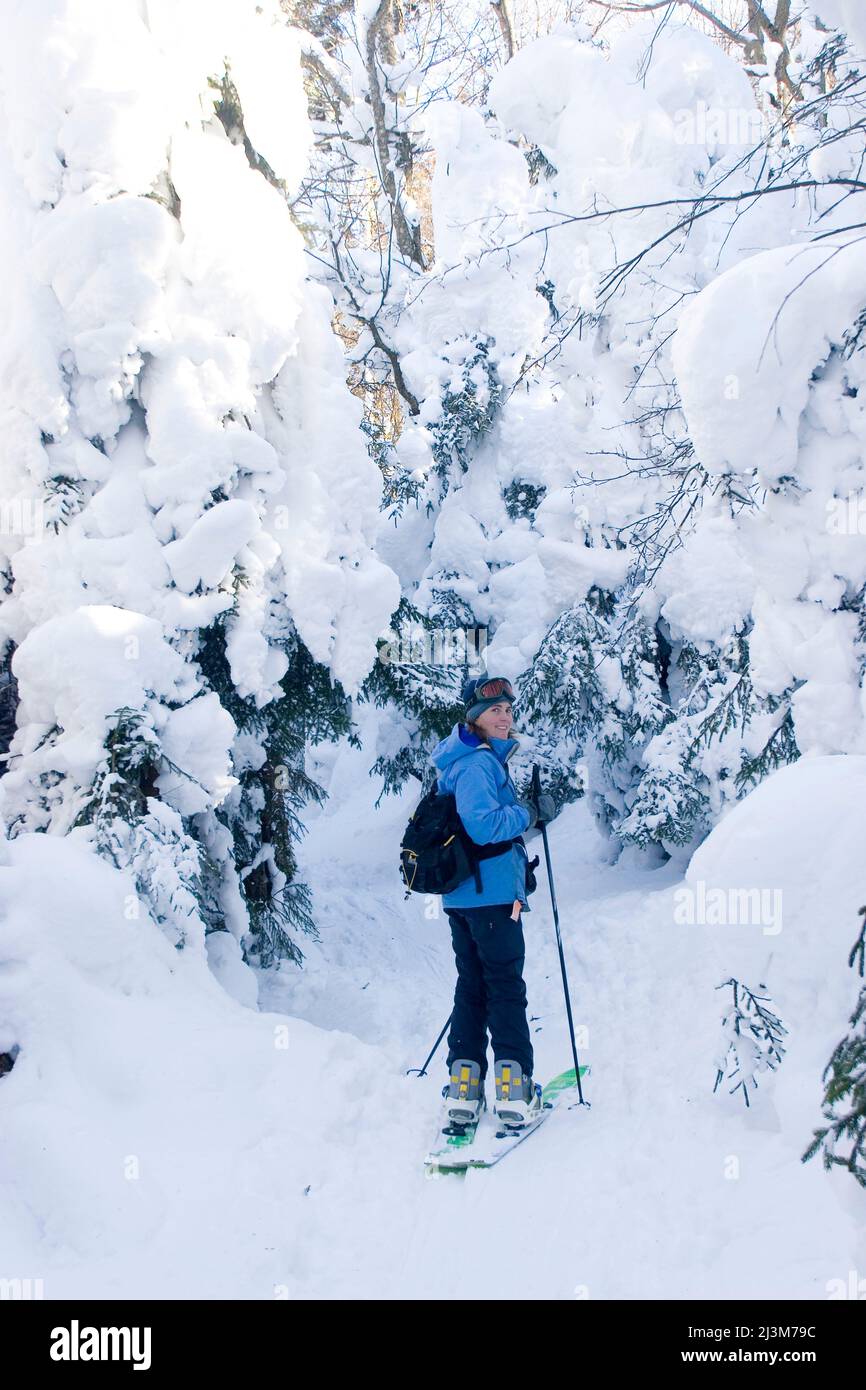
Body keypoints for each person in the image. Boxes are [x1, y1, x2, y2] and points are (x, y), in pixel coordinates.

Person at [429, 673, 558, 1129]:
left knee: (473, 985)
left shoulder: (460, 761)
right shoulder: (479, 764)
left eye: (507, 709)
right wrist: (529, 813)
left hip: (464, 897)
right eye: (493, 711)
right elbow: (483, 827)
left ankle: (464, 1087)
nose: (504, 717)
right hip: (491, 897)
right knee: (504, 985)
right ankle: (512, 1087)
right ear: (475, 719)